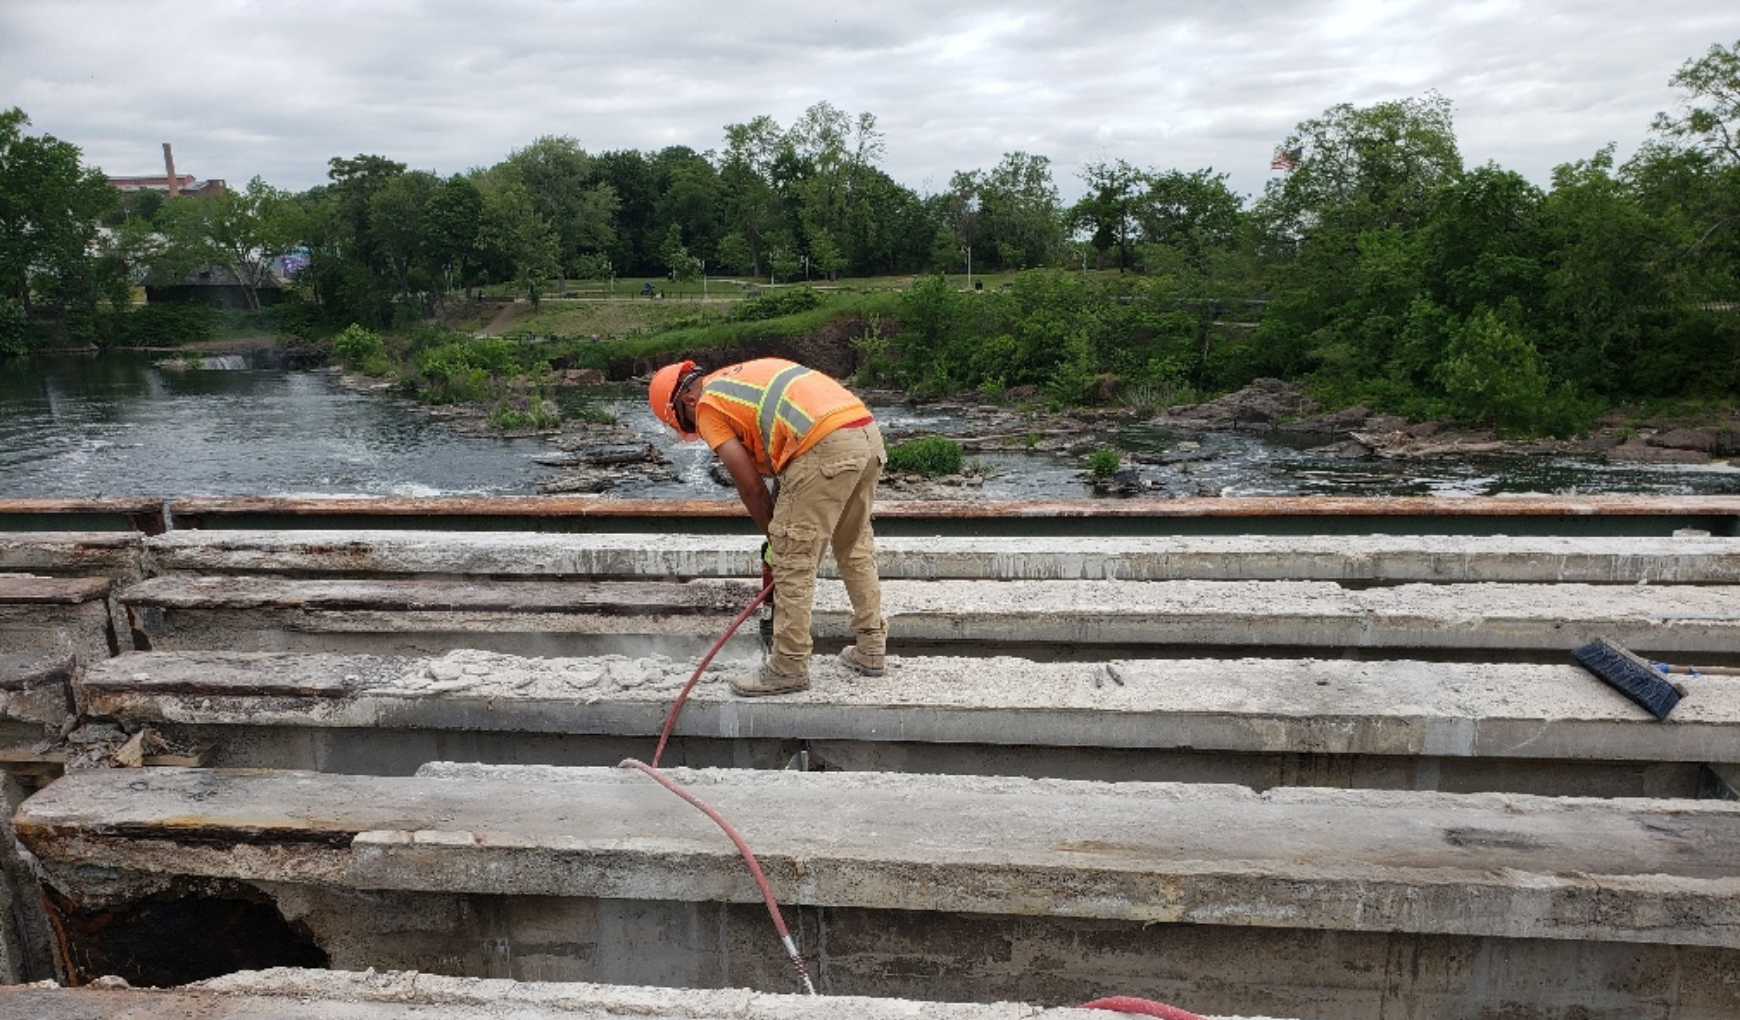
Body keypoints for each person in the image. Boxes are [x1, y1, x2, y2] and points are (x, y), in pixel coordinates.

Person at [648, 357, 886, 696]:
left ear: (686, 400)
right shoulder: (740, 381)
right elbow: (783, 457)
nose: (695, 431)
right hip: (865, 433)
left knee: (792, 561)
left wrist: (776, 540)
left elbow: (750, 486)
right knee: (854, 546)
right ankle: (871, 648)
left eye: (687, 425)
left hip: (825, 445)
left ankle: (787, 667)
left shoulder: (708, 405)